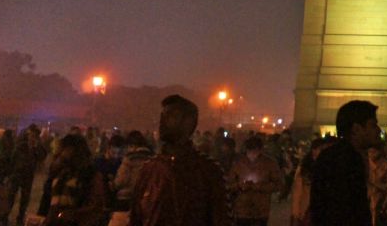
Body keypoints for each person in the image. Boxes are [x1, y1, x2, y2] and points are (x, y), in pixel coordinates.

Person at [129, 94, 230, 226]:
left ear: (188, 123)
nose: (162, 122)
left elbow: (220, 219)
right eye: (162, 116)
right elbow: (136, 218)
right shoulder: (149, 170)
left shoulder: (208, 171)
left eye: (170, 116)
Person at [309, 99, 381, 226]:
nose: (378, 130)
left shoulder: (334, 156)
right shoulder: (346, 161)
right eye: (373, 125)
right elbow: (345, 210)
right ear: (356, 129)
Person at [35, 132, 106, 225]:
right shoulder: (61, 172)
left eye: (66, 149)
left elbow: (95, 208)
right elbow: (50, 201)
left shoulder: (90, 175)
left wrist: (70, 215)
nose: (63, 153)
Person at [228, 134, 284, 226]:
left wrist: (260, 186)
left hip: (261, 211)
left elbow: (278, 184)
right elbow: (229, 184)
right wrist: (239, 185)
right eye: (250, 151)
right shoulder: (238, 163)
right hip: (242, 210)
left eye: (255, 151)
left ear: (260, 150)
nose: (252, 155)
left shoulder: (270, 163)